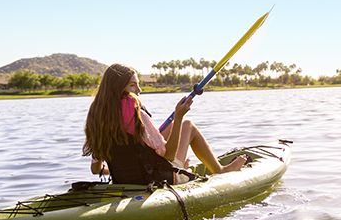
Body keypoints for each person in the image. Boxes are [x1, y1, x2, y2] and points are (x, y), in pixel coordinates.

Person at [83, 64, 247, 185]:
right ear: (118, 88)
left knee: (171, 132)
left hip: (124, 182)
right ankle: (219, 170)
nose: (139, 90)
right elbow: (168, 155)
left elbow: (96, 169)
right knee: (187, 125)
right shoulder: (135, 112)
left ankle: (185, 165)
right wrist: (180, 116)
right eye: (133, 85)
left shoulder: (97, 117)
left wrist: (119, 169)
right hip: (159, 179)